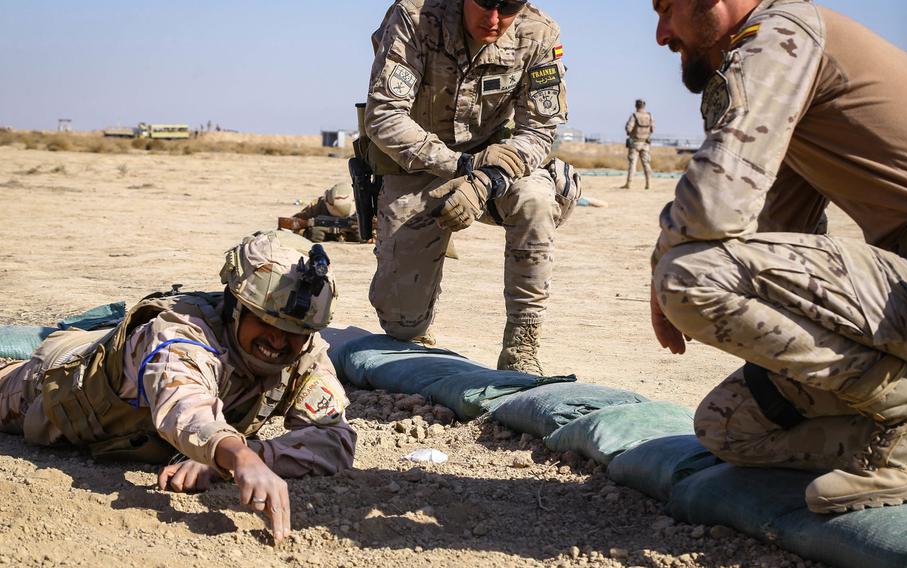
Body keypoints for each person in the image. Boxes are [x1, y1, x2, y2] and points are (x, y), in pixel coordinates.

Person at [648, 0, 907, 513]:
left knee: (688, 277)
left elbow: (712, 209)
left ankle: (901, 417)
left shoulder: (783, 32)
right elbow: (777, 229)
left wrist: (660, 265)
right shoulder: (796, 84)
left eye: (667, 8)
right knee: (729, 424)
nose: (661, 34)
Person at [0, 230, 356, 541]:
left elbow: (334, 440)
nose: (279, 342)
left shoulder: (306, 352)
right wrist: (237, 455)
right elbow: (185, 407)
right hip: (52, 386)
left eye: (295, 333)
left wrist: (242, 458)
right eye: (267, 325)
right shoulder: (181, 336)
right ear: (236, 308)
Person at [362, 0, 580, 375]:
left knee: (536, 200)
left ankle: (521, 344)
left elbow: (539, 130)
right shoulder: (414, 17)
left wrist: (485, 179)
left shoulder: (540, 32)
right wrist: (459, 166)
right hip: (419, 166)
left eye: (508, 8)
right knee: (401, 325)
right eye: (484, 3)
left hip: (498, 165)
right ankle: (423, 279)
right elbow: (384, 115)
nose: (494, 20)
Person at [281, 182, 363, 243]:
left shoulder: (367, 209)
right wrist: (307, 234)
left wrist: (367, 235)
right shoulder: (319, 205)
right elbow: (286, 227)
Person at [620, 99, 654, 190]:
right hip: (645, 143)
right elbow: (653, 129)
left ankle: (629, 184)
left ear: (636, 106)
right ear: (644, 106)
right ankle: (648, 184)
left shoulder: (634, 116)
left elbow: (628, 128)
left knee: (632, 164)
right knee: (646, 164)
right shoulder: (649, 116)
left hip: (635, 143)